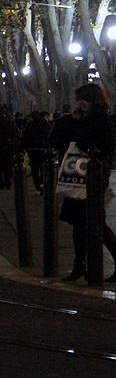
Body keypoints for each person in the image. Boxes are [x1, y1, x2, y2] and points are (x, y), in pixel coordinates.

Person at [58, 84, 116, 282]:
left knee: (95, 221)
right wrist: (73, 120)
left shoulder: (101, 120)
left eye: (84, 99)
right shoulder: (81, 119)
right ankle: (78, 265)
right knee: (79, 222)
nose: (80, 103)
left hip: (93, 175)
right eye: (79, 99)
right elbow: (60, 139)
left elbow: (100, 145)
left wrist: (80, 128)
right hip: (78, 175)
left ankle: (83, 265)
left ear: (94, 100)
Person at [21, 110, 51, 194]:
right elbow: (49, 136)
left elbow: (25, 137)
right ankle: (42, 183)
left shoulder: (30, 125)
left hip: (32, 150)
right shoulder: (45, 125)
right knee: (43, 168)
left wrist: (24, 147)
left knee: (34, 169)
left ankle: (37, 185)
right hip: (43, 150)